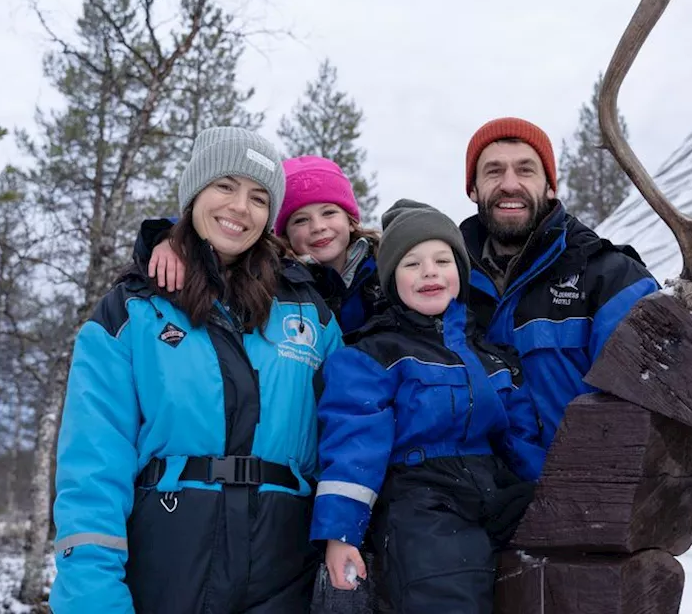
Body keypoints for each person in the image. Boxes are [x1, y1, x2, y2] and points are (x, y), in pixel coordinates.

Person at [50, 127, 343, 614]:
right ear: (194, 193)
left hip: (285, 567)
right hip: (168, 559)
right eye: (225, 186)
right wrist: (91, 598)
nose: (239, 208)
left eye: (258, 197)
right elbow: (92, 466)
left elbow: (347, 431)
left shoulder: (310, 313)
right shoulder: (132, 312)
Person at [311, 199, 545, 613]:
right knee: (446, 590)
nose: (430, 272)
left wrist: (546, 495)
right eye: (412, 264)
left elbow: (521, 436)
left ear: (460, 273)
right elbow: (354, 446)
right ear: (391, 281)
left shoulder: (492, 357)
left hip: (491, 490)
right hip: (420, 501)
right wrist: (341, 534)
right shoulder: (372, 355)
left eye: (442, 260)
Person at [460, 117, 659, 450]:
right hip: (480, 498)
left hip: (589, 494)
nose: (510, 184)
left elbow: (655, 408)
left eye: (526, 170)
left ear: (550, 187)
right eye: (494, 171)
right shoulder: (444, 289)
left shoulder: (613, 282)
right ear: (473, 189)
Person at [145, 155, 387, 333]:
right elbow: (219, 239)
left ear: (352, 220)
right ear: (283, 235)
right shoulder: (278, 276)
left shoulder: (385, 266)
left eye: (329, 213)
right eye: (301, 220)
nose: (317, 227)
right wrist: (170, 238)